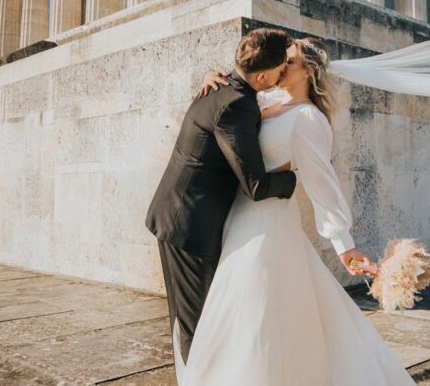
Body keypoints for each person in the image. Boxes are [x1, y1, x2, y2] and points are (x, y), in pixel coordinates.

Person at [179, 38, 414, 385]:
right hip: (237, 216)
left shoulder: (309, 119)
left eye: (289, 61)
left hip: (267, 222)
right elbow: (235, 104)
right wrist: (213, 78)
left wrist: (344, 245)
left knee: (254, 311)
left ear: (310, 70)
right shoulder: (268, 98)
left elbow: (323, 184)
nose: (280, 65)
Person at [144, 28, 300, 366]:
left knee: (191, 321)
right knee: (198, 325)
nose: (284, 71)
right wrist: (294, 179)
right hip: (188, 225)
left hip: (180, 217)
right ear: (261, 75)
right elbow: (255, 186)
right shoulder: (236, 105)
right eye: (280, 68)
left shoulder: (224, 85)